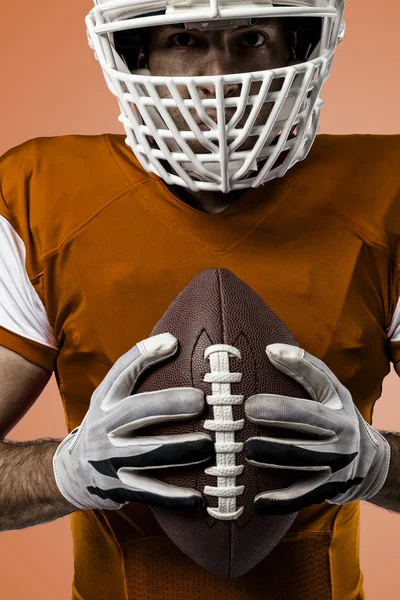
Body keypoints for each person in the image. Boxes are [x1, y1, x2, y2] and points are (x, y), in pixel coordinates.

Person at [0, 0, 399, 598]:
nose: (220, 78)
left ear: (299, 46)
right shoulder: (41, 195)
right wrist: (64, 473)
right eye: (186, 39)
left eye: (252, 38)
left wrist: (377, 464)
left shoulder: (388, 191)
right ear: (138, 55)